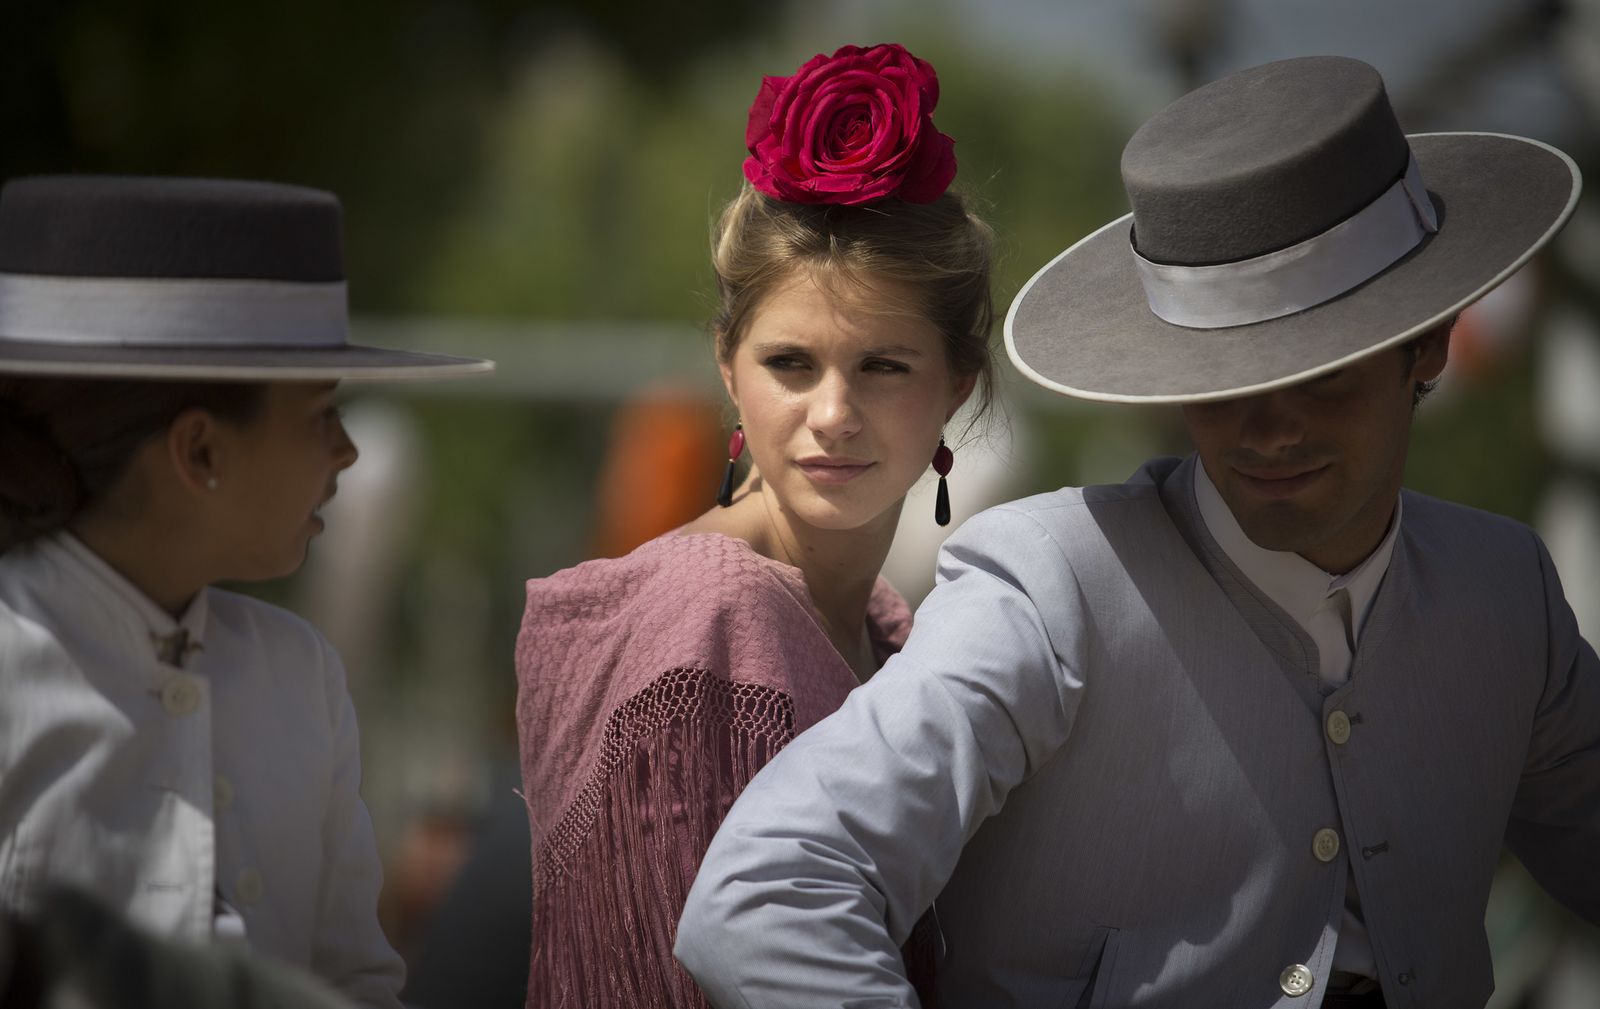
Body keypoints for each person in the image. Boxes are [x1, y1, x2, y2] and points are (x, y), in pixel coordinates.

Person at [676, 55, 1600, 1008]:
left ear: (1429, 343)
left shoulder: (1506, 591)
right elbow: (764, 894)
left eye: (1326, 370)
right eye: (1224, 380)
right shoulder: (1052, 584)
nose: (1271, 426)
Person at [513, 42, 994, 1008]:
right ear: (728, 368)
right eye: (790, 364)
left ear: (957, 387)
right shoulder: (706, 621)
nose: (833, 413)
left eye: (884, 366)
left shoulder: (898, 632)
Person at [0, 174, 492, 1008]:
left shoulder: (299, 675)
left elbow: (357, 983)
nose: (346, 451)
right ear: (200, 453)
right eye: (318, 412)